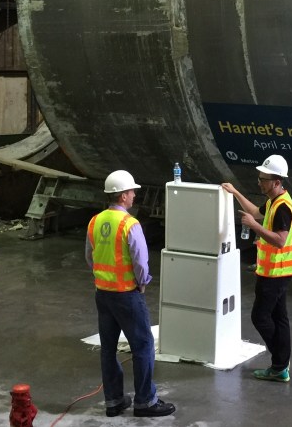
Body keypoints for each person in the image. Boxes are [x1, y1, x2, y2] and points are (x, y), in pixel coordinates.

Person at [85, 170, 176, 418]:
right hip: (126, 294)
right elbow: (140, 262)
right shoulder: (129, 224)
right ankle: (145, 402)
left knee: (108, 348)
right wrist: (143, 282)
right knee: (143, 346)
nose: (134, 195)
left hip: (103, 294)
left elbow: (89, 257)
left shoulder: (95, 221)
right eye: (132, 191)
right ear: (123, 195)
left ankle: (113, 401)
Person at [222, 154, 292, 383]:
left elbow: (279, 240)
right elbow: (256, 212)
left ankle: (279, 362)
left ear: (276, 182)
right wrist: (236, 193)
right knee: (279, 317)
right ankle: (281, 364)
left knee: (260, 317)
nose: (259, 182)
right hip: (277, 270)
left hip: (276, 272)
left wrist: (254, 227)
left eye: (264, 179)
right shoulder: (274, 201)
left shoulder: (282, 208)